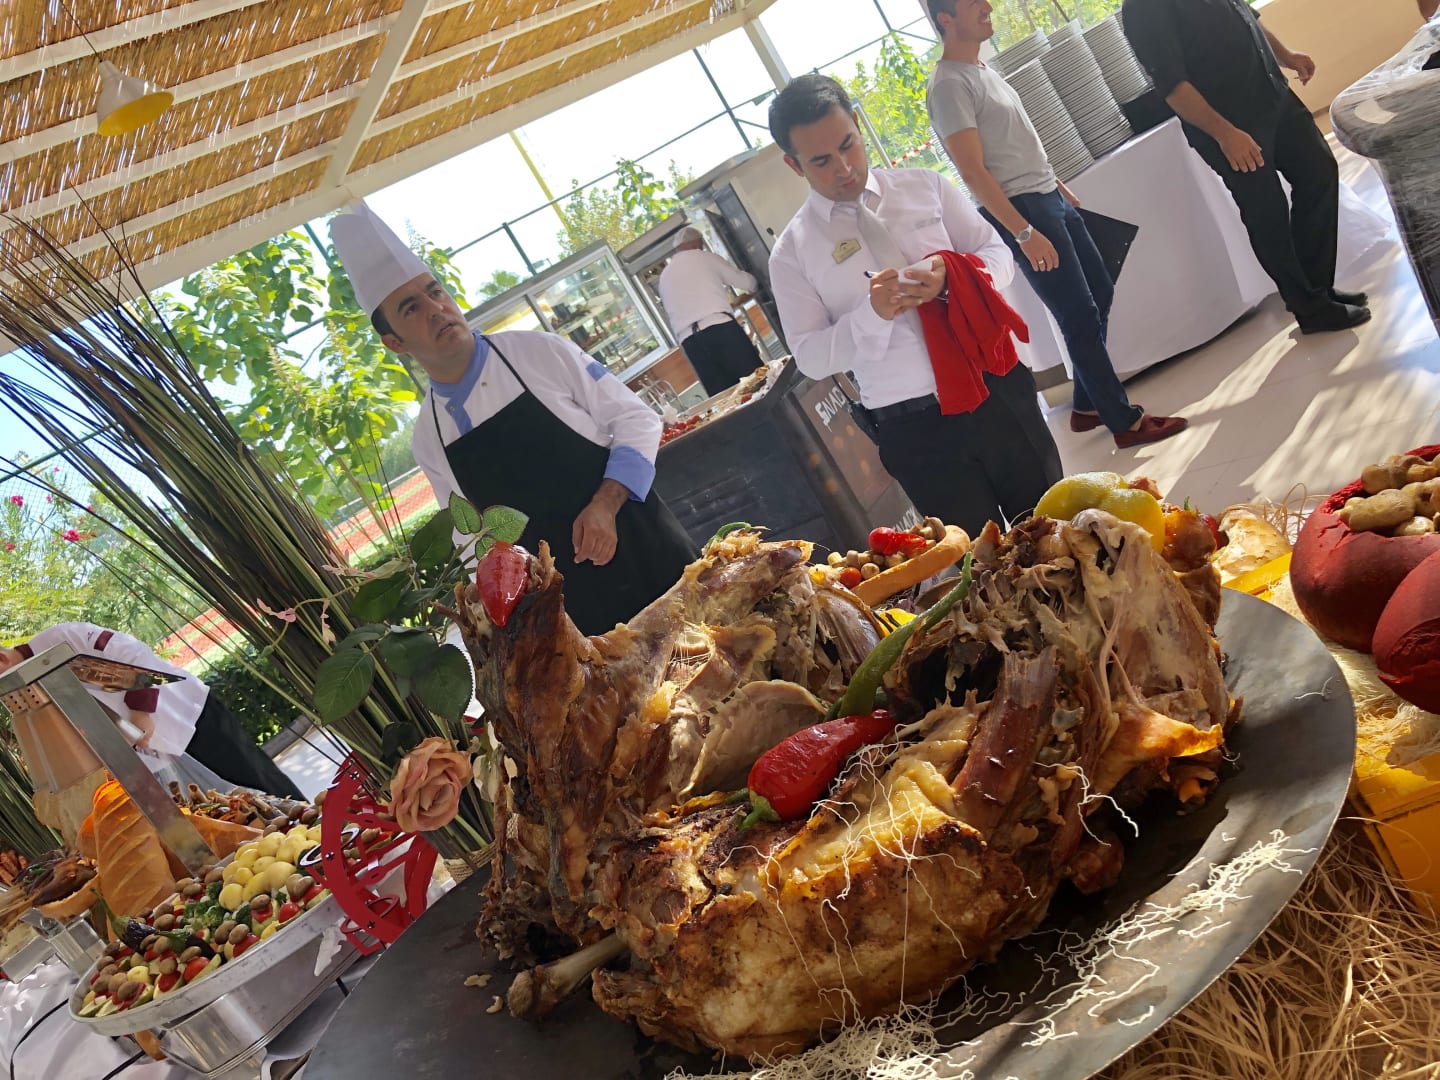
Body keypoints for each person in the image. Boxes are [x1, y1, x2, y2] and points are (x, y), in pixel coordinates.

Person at [329, 203, 695, 636]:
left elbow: (636, 419)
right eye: (411, 308)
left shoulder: (538, 352)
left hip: (657, 561)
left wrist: (605, 504)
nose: (436, 309)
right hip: (578, 624)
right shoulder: (430, 439)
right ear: (394, 342)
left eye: (435, 292)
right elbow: (472, 543)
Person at [767, 74, 1063, 538]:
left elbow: (998, 255)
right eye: (821, 161)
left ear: (858, 124)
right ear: (793, 164)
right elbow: (810, 355)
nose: (844, 168)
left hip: (997, 390)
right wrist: (871, 316)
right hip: (916, 429)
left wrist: (953, 276)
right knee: (975, 562)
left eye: (848, 145)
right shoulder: (792, 253)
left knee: (1052, 535)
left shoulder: (926, 187)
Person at [926, 0, 1188, 448]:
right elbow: (972, 172)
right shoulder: (949, 85)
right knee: (1078, 314)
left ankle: (1086, 406)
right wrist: (1024, 232)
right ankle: (1124, 421)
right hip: (1023, 210)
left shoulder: (982, 70)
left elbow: (1014, 145)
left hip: (1045, 195)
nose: (987, 7)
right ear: (945, 20)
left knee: (1100, 291)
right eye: (973, 4)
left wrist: (1056, 185)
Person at [1122, 0, 1371, 334]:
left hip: (1273, 96)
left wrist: (1286, 56)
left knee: (1319, 172)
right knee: (1267, 212)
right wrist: (1225, 134)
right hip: (1229, 124)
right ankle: (1311, 308)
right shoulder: (1143, 7)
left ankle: (1317, 290)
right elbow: (1172, 86)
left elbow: (1247, 18)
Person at [0, 623, 303, 798]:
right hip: (157, 756)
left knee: (262, 785)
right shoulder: (32, 690)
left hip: (188, 718)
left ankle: (321, 835)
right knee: (239, 810)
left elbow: (131, 652)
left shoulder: (60, 638)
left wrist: (140, 710)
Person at [656, 226, 764, 395]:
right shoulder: (702, 257)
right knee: (757, 382)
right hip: (720, 330)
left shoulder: (664, 276)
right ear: (697, 243)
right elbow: (746, 282)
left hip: (691, 343)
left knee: (726, 398)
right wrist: (759, 283)